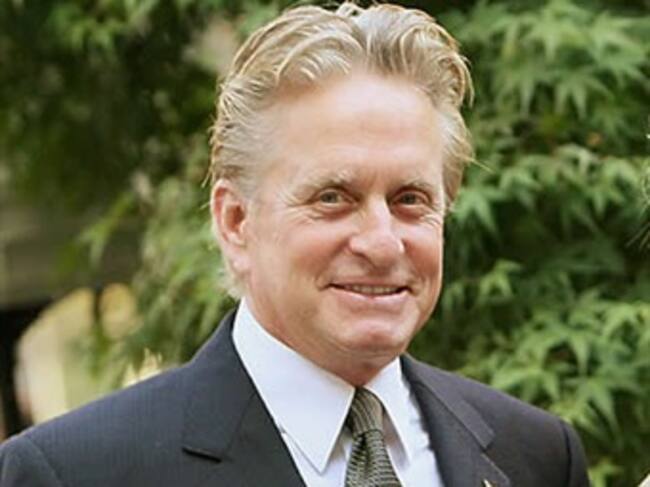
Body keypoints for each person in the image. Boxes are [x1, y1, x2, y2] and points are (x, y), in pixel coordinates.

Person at [0, 3, 590, 486]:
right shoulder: (75, 473)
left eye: (410, 199)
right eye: (333, 197)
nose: (382, 243)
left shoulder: (535, 456)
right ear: (235, 222)